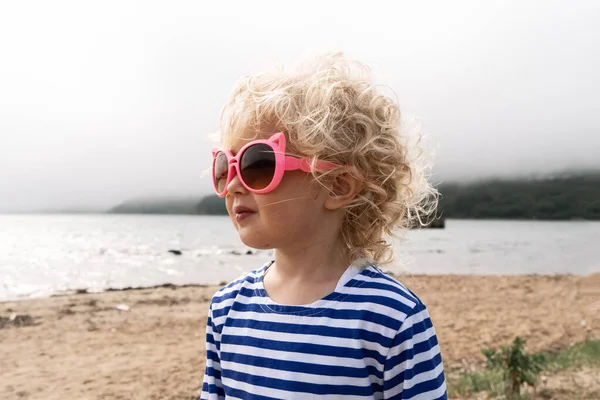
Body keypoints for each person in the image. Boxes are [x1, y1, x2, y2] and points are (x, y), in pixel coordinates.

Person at [201, 53, 446, 399]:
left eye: (258, 164)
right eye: (227, 166)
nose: (234, 184)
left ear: (337, 186)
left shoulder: (390, 317)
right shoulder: (226, 309)